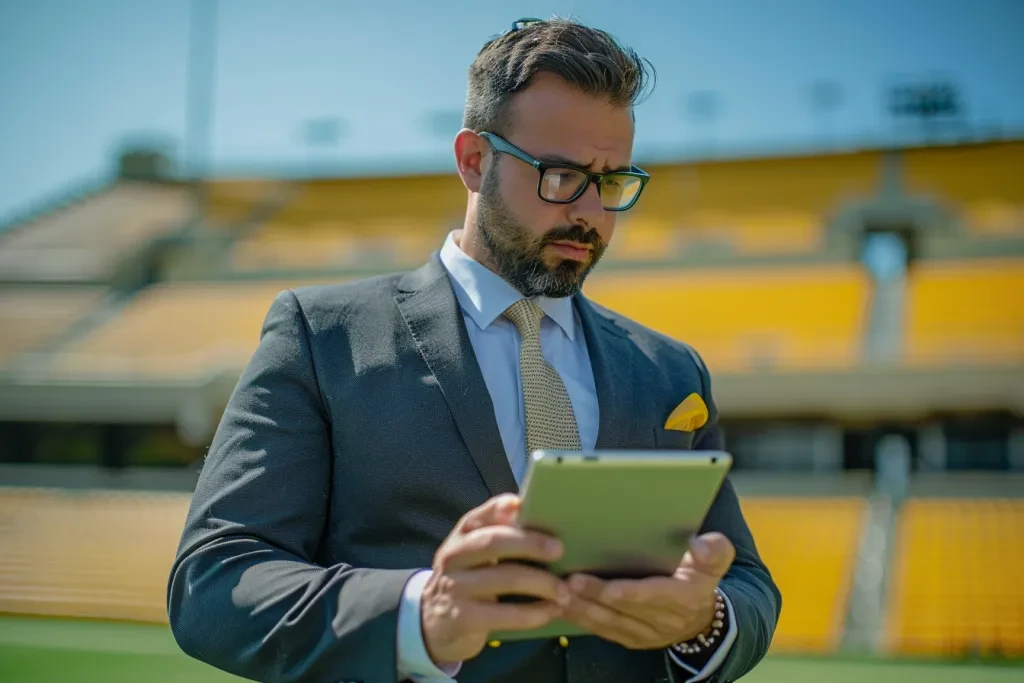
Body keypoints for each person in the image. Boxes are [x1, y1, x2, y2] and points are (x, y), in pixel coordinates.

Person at [167, 17, 780, 683]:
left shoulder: (668, 371)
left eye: (610, 182)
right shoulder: (320, 337)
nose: (589, 213)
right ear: (473, 159)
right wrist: (418, 615)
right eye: (560, 175)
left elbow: (745, 582)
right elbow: (214, 580)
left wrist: (704, 620)